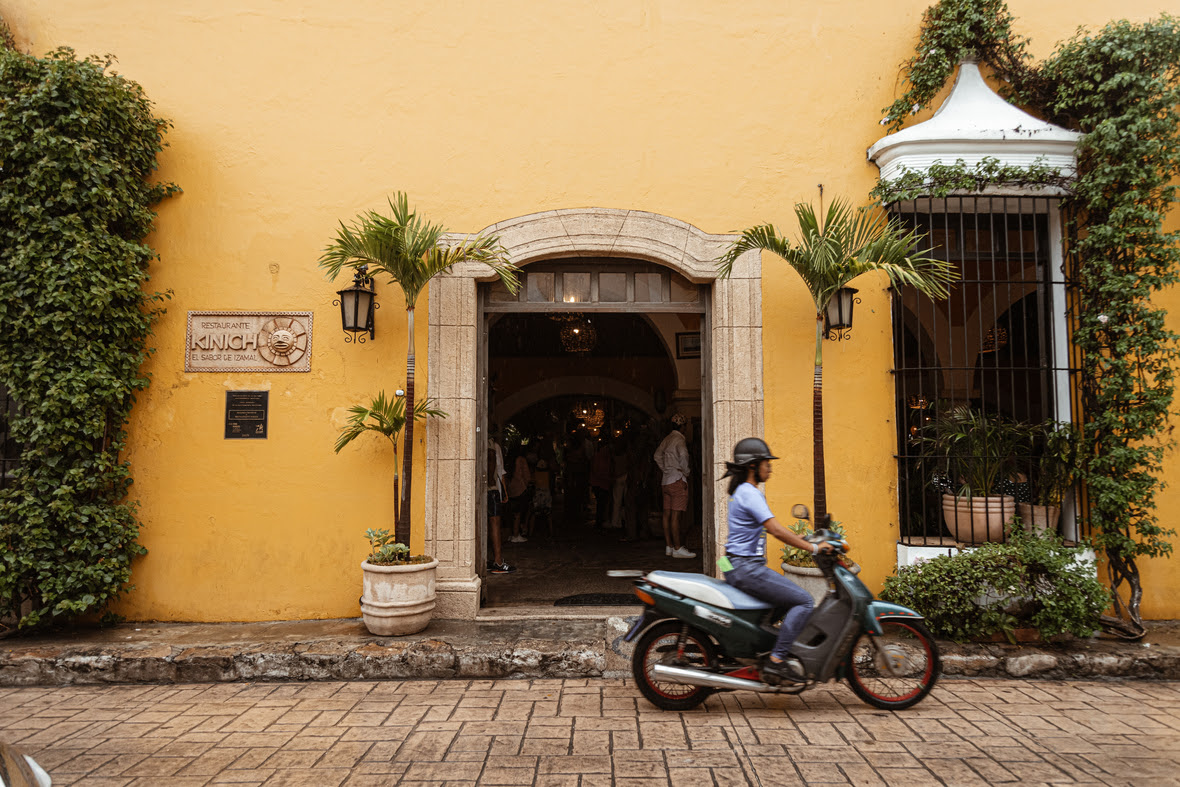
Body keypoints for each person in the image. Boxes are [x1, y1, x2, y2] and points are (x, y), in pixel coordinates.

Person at [720, 437, 834, 684]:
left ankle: (761, 648)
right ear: (753, 466)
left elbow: (770, 529)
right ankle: (777, 661)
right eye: (766, 464)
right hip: (745, 567)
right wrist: (812, 547)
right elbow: (776, 530)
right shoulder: (750, 493)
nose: (770, 468)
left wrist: (803, 537)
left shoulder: (743, 492)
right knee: (803, 601)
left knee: (783, 602)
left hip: (735, 564)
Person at [654, 413, 694, 558]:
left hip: (666, 481)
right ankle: (678, 548)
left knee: (667, 515)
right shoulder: (679, 440)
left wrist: (665, 468)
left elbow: (657, 455)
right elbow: (683, 456)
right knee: (676, 517)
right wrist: (686, 471)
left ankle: (669, 546)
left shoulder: (667, 439)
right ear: (682, 427)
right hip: (677, 479)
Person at [486, 426, 514, 574]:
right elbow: (501, 471)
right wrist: (504, 492)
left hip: (478, 490)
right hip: (493, 489)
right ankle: (498, 560)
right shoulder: (495, 446)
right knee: (495, 523)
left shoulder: (478, 444)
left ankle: (481, 560)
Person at [506, 449, 531, 543]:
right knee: (518, 513)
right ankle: (516, 534)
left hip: (510, 489)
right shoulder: (521, 460)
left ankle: (512, 533)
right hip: (520, 488)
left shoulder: (509, 460)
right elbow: (526, 474)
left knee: (512, 512)